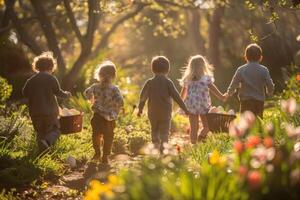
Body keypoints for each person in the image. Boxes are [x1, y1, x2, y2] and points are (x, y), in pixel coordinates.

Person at [138, 56, 189, 151]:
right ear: (167, 69)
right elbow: (176, 97)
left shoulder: (149, 82)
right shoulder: (168, 82)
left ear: (152, 69)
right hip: (165, 113)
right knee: (165, 131)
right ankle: (163, 147)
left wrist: (140, 109)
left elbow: (143, 97)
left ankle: (155, 146)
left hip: (152, 112)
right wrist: (185, 108)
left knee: (154, 129)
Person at [22, 52, 71, 152]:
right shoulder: (51, 78)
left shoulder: (31, 80)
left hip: (35, 113)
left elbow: (24, 93)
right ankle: (48, 142)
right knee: (56, 130)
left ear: (37, 66)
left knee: (40, 132)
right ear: (51, 67)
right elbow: (58, 92)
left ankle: (41, 152)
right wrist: (67, 94)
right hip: (50, 113)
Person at [180, 55, 226, 144]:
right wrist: (221, 97)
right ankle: (200, 138)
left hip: (191, 106)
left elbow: (182, 94)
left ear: (191, 67)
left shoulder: (188, 79)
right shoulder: (206, 78)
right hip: (203, 105)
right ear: (203, 66)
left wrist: (181, 104)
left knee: (194, 127)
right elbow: (214, 90)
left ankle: (194, 145)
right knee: (207, 126)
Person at [84, 61, 124, 163]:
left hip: (97, 116)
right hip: (110, 118)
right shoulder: (114, 89)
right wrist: (116, 106)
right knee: (108, 137)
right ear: (114, 76)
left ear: (99, 75)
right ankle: (105, 156)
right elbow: (120, 101)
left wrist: (92, 100)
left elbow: (87, 93)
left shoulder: (95, 86)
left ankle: (97, 153)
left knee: (96, 135)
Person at [225, 43, 275, 118]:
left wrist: (229, 93)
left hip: (246, 101)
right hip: (259, 101)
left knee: (245, 123)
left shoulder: (241, 69)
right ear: (260, 57)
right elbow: (270, 84)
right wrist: (270, 91)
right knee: (258, 123)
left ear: (245, 57)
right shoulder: (264, 70)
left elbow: (234, 83)